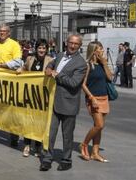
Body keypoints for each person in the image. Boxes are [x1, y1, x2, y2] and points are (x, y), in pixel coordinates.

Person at [40, 34, 87, 171]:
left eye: (76, 44)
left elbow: (74, 83)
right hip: (54, 102)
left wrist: (57, 74)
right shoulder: (60, 55)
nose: (72, 46)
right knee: (51, 133)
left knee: (67, 136)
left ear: (79, 46)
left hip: (69, 104)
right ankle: (47, 159)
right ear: (66, 42)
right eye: (70, 42)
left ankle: (66, 160)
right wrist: (49, 68)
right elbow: (51, 63)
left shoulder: (81, 63)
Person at [17, 39, 53, 157]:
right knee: (28, 120)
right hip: (29, 95)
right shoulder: (30, 59)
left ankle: (37, 146)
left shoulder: (51, 60)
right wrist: (20, 70)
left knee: (39, 121)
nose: (41, 50)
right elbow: (25, 69)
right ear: (36, 49)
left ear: (46, 49)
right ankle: (27, 145)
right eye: (39, 48)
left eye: (44, 48)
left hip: (42, 97)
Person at [0, 24, 23, 147]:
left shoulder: (14, 44)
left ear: (9, 33)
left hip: (9, 82)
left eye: (4, 31)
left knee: (11, 110)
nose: (1, 33)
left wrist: (2, 65)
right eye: (0, 31)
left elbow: (18, 62)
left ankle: (13, 136)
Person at [79, 41, 112, 163]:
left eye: (102, 48)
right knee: (99, 125)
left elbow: (110, 78)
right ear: (94, 51)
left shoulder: (102, 64)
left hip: (104, 98)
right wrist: (91, 97)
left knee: (98, 128)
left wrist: (105, 64)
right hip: (93, 99)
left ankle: (95, 153)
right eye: (100, 49)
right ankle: (84, 144)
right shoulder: (88, 65)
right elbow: (82, 84)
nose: (102, 50)